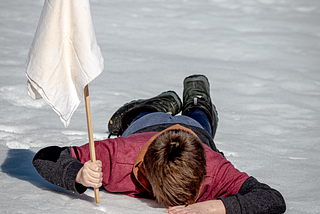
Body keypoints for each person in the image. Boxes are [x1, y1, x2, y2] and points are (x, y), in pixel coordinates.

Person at [33, 74, 286, 214]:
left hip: (195, 133)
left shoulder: (216, 168)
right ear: (148, 175)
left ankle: (198, 103)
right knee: (138, 117)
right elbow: (46, 156)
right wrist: (78, 173)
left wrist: (215, 207)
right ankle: (156, 104)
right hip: (146, 125)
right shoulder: (117, 157)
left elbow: (273, 199)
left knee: (199, 119)